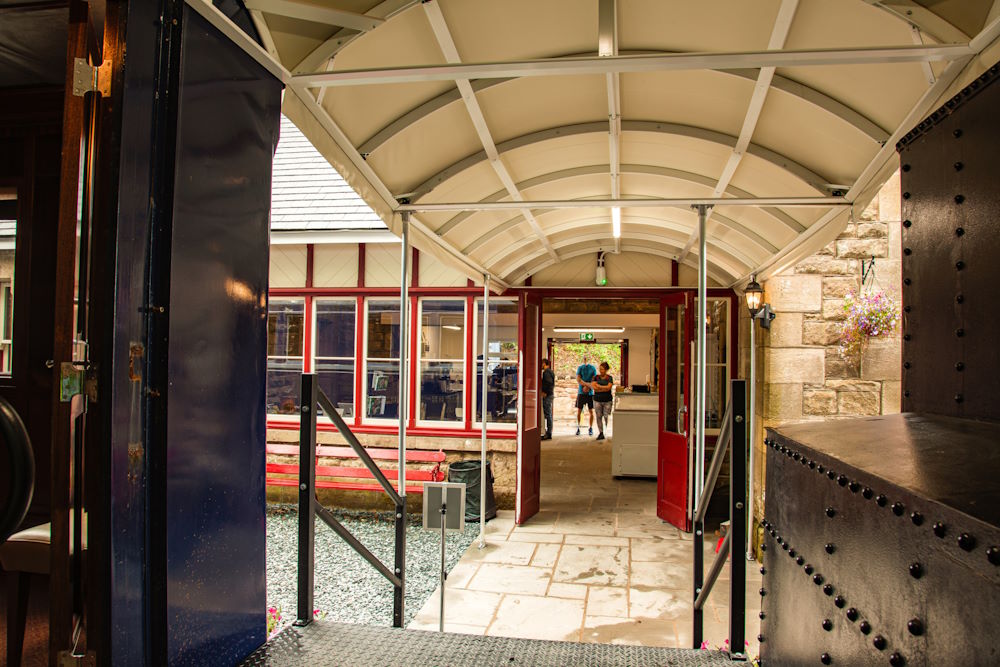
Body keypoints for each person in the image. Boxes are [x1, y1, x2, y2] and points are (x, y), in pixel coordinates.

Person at [591, 361, 614, 441]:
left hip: (607, 400)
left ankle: (607, 430)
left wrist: (599, 387)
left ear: (606, 370)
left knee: (606, 415)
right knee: (598, 416)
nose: (601, 371)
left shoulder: (609, 378)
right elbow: (594, 387)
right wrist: (604, 387)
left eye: (602, 369)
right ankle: (601, 433)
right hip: (597, 400)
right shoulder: (595, 377)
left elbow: (609, 388)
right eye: (600, 369)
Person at [575, 357, 597, 436]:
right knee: (579, 411)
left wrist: (588, 387)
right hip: (581, 392)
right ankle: (578, 427)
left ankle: (590, 428)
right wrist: (586, 385)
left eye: (587, 359)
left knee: (591, 411)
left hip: (590, 393)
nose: (585, 360)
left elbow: (594, 380)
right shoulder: (580, 368)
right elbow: (578, 379)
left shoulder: (593, 368)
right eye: (584, 359)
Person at [541, 358, 555, 440]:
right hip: (549, 394)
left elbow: (549, 383)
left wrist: (545, 392)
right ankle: (548, 432)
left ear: (544, 363)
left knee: (548, 414)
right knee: (548, 413)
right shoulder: (550, 372)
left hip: (548, 395)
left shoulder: (546, 372)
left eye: (542, 363)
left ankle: (549, 432)